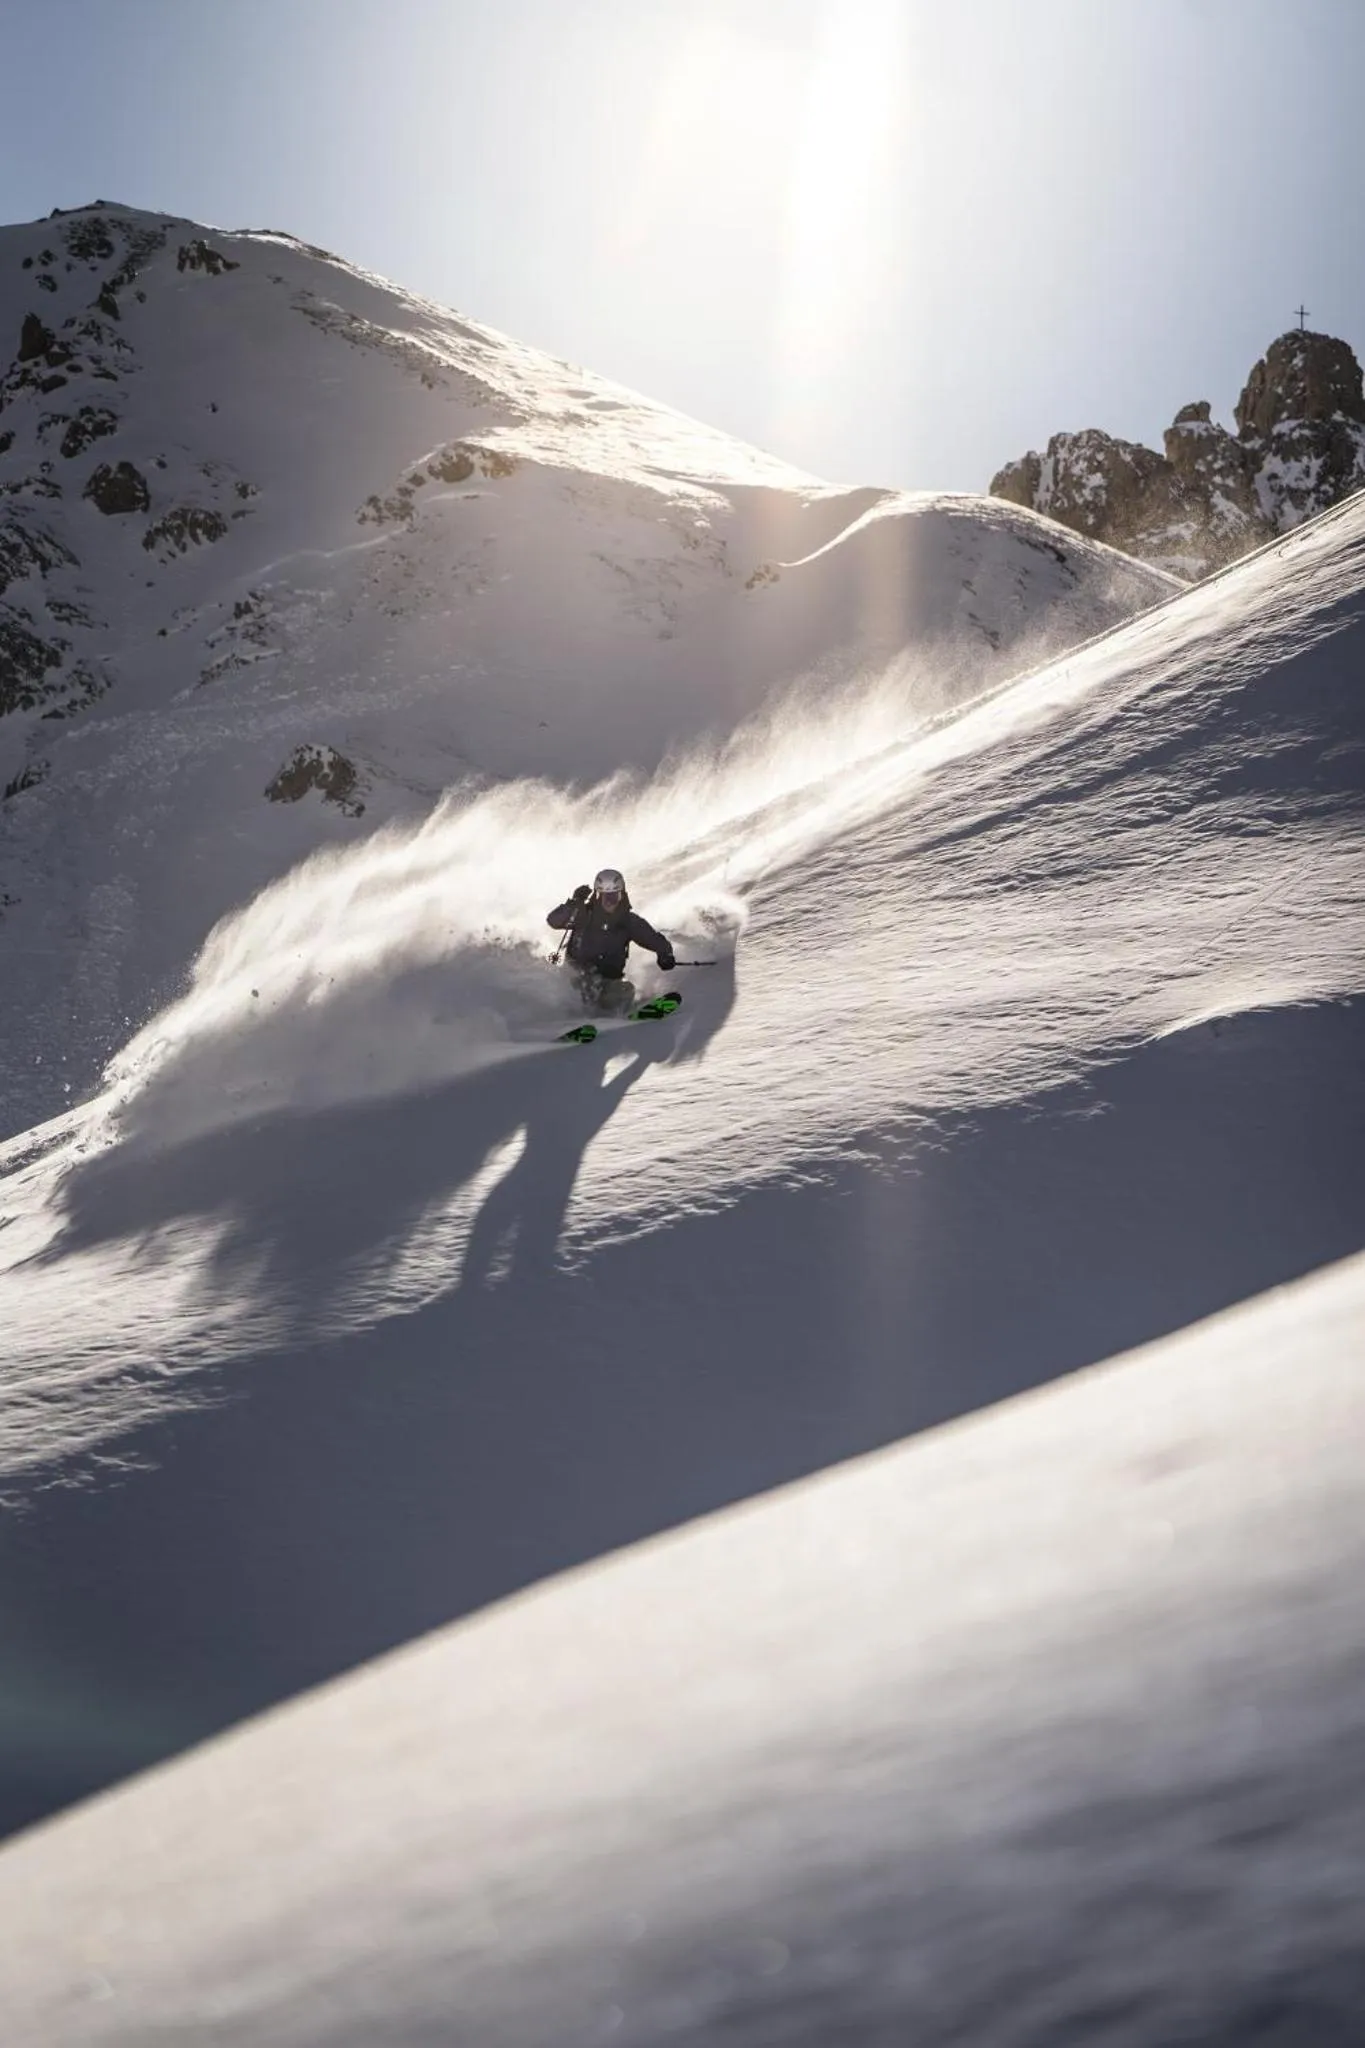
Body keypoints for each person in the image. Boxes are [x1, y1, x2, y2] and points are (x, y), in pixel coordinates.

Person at [547, 867, 675, 1011]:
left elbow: (653, 939)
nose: (610, 902)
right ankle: (575, 1017)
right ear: (598, 895)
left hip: (609, 981)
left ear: (622, 895)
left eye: (614, 897)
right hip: (578, 977)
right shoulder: (583, 914)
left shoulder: (628, 921)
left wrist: (665, 954)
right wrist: (574, 903)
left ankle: (615, 1019)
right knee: (589, 983)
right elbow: (553, 921)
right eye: (606, 897)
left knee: (625, 989)